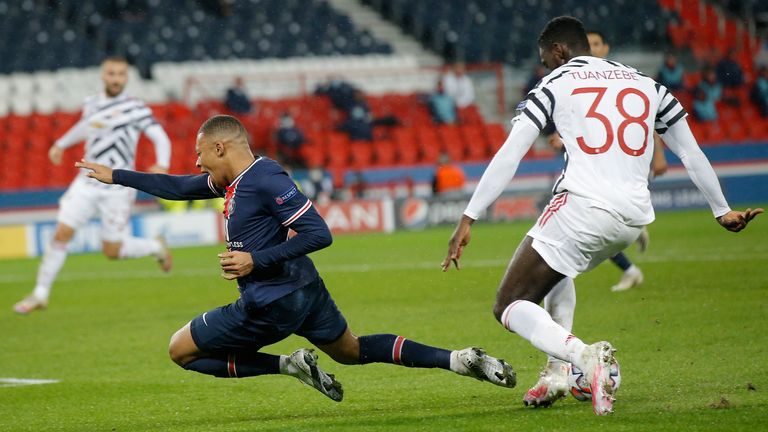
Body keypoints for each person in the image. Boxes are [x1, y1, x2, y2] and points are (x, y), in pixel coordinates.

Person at [442, 16, 762, 416]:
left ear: (559, 51)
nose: (544, 68)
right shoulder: (648, 84)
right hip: (632, 218)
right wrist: (721, 209)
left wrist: (469, 216)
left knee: (508, 303)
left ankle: (584, 359)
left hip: (582, 205)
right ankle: (557, 372)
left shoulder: (556, 83)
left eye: (545, 60)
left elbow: (511, 152)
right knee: (556, 266)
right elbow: (691, 152)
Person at [76, 115, 517, 401]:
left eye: (199, 153)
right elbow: (176, 187)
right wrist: (115, 176)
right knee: (351, 350)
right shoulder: (234, 180)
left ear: (220, 149)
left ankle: (288, 364)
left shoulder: (265, 179)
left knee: (180, 351)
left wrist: (253, 261)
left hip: (269, 302)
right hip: (306, 292)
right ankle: (459, 359)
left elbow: (319, 233)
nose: (195, 163)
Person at [13, 56, 173, 315]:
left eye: (121, 74)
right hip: (86, 182)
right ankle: (40, 293)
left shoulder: (136, 108)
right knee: (62, 233)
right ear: (103, 75)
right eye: (111, 73)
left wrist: (162, 164)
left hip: (118, 186)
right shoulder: (93, 103)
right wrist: (61, 144)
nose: (116, 78)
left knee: (112, 250)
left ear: (126, 78)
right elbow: (86, 127)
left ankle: (155, 246)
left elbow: (159, 136)